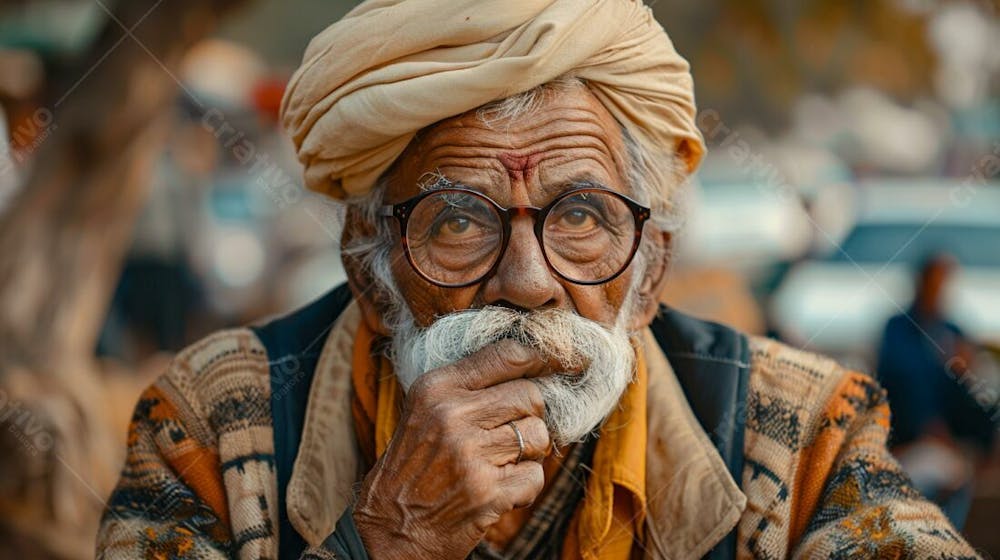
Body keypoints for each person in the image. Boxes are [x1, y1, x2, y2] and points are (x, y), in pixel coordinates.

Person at [96, 2, 978, 558]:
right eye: (457, 222)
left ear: (652, 268)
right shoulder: (210, 426)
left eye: (584, 217)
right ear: (372, 272)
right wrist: (385, 543)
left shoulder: (802, 436)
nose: (528, 282)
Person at [878, 254, 996, 529]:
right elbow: (905, 381)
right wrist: (929, 428)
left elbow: (969, 391)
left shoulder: (952, 329)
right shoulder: (898, 329)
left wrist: (967, 367)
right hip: (911, 437)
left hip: (954, 438)